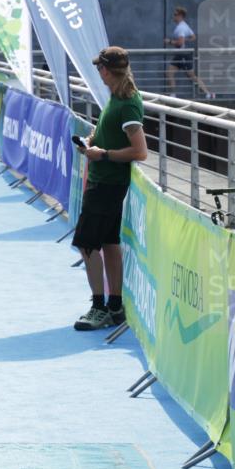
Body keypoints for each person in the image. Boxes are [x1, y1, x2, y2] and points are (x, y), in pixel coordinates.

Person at [72, 47, 147, 330]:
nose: (98, 73)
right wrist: (92, 141)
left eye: (99, 68)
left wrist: (102, 154)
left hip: (106, 183)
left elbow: (140, 151)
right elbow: (110, 131)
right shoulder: (118, 96)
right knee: (109, 243)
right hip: (106, 181)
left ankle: (99, 306)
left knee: (87, 244)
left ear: (106, 70)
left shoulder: (126, 102)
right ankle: (114, 307)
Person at [164, 6, 213, 99]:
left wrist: (169, 41)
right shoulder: (184, 25)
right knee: (169, 72)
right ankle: (173, 94)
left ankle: (208, 93)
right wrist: (185, 40)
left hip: (183, 55)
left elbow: (180, 43)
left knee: (191, 76)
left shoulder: (181, 28)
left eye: (175, 15)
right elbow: (193, 37)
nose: (173, 16)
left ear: (180, 16)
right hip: (180, 54)